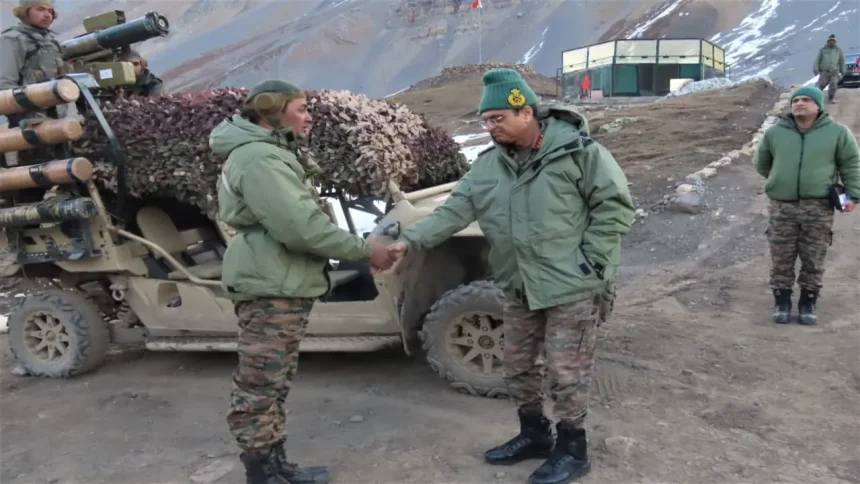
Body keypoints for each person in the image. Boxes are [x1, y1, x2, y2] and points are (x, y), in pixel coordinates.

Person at [386, 68, 635, 484]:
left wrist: (591, 263)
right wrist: (407, 242)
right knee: (517, 366)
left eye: (498, 118)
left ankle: (573, 449)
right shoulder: (487, 168)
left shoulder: (579, 153)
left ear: (526, 112)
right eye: (485, 120)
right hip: (517, 283)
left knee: (565, 371)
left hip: (571, 285)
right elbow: (452, 212)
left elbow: (614, 209)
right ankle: (534, 435)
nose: (490, 127)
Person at [209, 79, 397, 484]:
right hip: (270, 284)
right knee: (261, 384)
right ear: (271, 111)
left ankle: (275, 466)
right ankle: (262, 473)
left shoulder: (269, 153)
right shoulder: (261, 159)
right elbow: (300, 227)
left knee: (274, 381)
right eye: (300, 108)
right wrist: (366, 250)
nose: (308, 115)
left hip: (279, 279)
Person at [754, 85, 859, 325]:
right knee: (781, 255)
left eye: (806, 100)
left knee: (814, 256)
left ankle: (807, 301)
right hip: (782, 206)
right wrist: (780, 179)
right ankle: (781, 300)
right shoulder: (775, 133)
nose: (799, 103)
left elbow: (851, 165)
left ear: (818, 105)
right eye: (796, 100)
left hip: (818, 206)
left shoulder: (837, 132)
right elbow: (761, 162)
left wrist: (853, 195)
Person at [813, 34, 845, 104]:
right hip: (824, 71)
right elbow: (817, 60)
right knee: (821, 85)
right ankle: (815, 98)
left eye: (833, 41)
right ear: (827, 41)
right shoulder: (822, 50)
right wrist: (816, 69)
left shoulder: (838, 51)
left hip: (834, 71)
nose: (831, 42)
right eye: (830, 41)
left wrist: (843, 71)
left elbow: (841, 61)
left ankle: (831, 98)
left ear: (835, 42)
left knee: (834, 85)